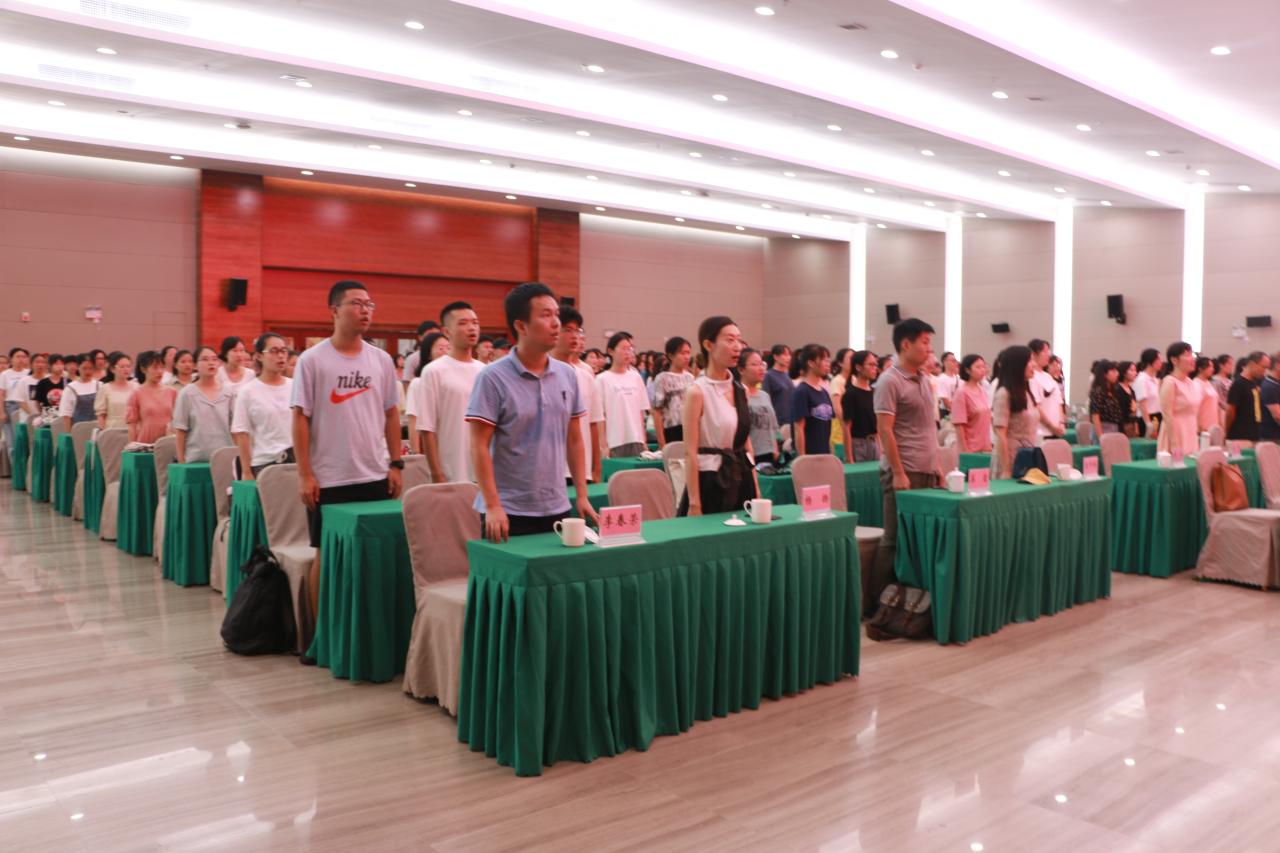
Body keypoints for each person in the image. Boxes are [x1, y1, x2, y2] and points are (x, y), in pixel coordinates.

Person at [293, 280, 403, 652]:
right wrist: (305, 473)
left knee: (374, 558)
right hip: (329, 478)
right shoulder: (313, 360)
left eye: (370, 303)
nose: (365, 310)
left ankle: (371, 636)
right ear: (334, 310)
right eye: (357, 303)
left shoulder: (381, 360)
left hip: (374, 473)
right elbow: (300, 418)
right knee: (325, 555)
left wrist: (396, 463)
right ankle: (320, 639)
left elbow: (392, 414)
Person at [466, 282, 596, 541]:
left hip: (557, 506)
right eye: (545, 315)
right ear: (521, 326)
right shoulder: (492, 377)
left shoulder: (567, 375)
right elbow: (479, 445)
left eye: (556, 314)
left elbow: (574, 439)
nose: (556, 323)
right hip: (508, 510)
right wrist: (493, 505)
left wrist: (581, 495)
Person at [870, 319, 940, 614]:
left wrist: (936, 467)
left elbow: (927, 428)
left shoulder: (923, 379)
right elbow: (885, 430)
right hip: (904, 471)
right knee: (893, 538)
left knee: (917, 539)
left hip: (927, 469)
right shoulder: (890, 380)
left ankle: (908, 603)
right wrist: (898, 472)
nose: (929, 348)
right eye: (924, 342)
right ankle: (876, 606)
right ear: (906, 344)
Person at [680, 316, 758, 515]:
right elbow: (690, 453)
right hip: (711, 481)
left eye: (739, 340)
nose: (737, 347)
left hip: (742, 477)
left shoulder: (740, 390)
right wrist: (694, 503)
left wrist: (756, 490)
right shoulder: (697, 392)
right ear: (708, 345)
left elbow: (747, 446)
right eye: (730, 340)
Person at [415, 301, 484, 484]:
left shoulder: (485, 371)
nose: (471, 328)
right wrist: (437, 473)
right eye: (463, 323)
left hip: (483, 471)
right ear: (446, 332)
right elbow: (427, 428)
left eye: (475, 323)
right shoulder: (434, 371)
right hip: (451, 471)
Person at [552, 305, 604, 482]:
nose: (574, 336)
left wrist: (596, 467)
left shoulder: (586, 376)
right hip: (551, 470)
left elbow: (593, 424)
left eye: (578, 331)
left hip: (582, 469)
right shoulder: (541, 374)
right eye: (567, 330)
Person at [231, 333, 294, 478]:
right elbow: (241, 433)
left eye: (284, 351)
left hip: (296, 462)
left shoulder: (295, 386)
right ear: (259, 356)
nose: (280, 356)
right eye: (274, 351)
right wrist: (246, 471)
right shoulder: (248, 392)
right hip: (265, 464)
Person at [171, 346, 235, 463]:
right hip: (195, 459)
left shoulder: (229, 392)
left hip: (225, 459)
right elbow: (180, 429)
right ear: (195, 365)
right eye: (205, 359)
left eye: (214, 359)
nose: (211, 363)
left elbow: (235, 428)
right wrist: (181, 460)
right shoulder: (187, 393)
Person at [595, 331, 650, 458]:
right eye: (623, 348)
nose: (628, 352)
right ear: (611, 351)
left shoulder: (636, 377)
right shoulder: (602, 379)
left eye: (630, 349)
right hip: (614, 442)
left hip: (636, 439)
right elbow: (600, 417)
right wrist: (603, 445)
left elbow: (640, 412)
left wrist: (644, 440)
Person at [992, 345, 1039, 480]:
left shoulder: (1026, 392)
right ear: (1018, 365)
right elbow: (1000, 434)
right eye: (1030, 361)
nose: (1034, 365)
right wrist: (1006, 469)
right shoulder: (1004, 393)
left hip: (1026, 456)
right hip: (1010, 459)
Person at [1155, 342, 1202, 457]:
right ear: (1174, 360)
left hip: (1190, 432)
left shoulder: (1190, 382)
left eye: (1192, 354)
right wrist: (1174, 444)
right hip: (1175, 434)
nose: (1192, 359)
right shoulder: (1170, 382)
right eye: (1187, 355)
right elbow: (1167, 415)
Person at [650, 336, 695, 448]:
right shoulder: (662, 378)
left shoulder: (690, 377)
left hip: (689, 428)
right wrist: (662, 442)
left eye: (688, 353)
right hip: (671, 430)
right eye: (682, 353)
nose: (687, 357)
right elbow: (656, 412)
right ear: (670, 356)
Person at [790, 344, 834, 456]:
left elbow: (828, 427)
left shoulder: (824, 392)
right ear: (811, 363)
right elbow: (799, 428)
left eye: (828, 360)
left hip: (824, 453)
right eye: (824, 360)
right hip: (810, 455)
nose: (828, 364)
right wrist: (803, 458)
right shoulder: (802, 392)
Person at [126, 350, 178, 444]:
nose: (160, 371)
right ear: (143, 369)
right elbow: (132, 426)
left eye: (162, 367)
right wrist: (132, 447)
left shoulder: (172, 392)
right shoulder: (136, 394)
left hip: (168, 441)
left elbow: (178, 420)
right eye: (155, 367)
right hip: (145, 442)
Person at [739, 348, 779, 465]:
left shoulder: (765, 395)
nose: (761, 368)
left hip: (770, 455)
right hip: (750, 456)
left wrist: (775, 449)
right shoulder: (737, 395)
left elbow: (772, 426)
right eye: (755, 364)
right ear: (741, 369)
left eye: (762, 364)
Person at [842, 350, 880, 461]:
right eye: (871, 364)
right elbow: (846, 427)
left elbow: (877, 426)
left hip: (873, 443)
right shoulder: (851, 394)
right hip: (858, 444)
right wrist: (849, 458)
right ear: (858, 367)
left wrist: (881, 449)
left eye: (876, 365)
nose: (875, 368)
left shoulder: (874, 392)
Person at [1225, 351, 1268, 447]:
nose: (1264, 371)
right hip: (1240, 436)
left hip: (1254, 434)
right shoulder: (1238, 384)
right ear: (1252, 364)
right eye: (1263, 367)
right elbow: (1230, 411)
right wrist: (1226, 431)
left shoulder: (1254, 382)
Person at [951, 354, 992, 453]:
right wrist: (965, 450)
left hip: (985, 448)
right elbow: (959, 425)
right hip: (970, 449)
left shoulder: (982, 390)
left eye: (983, 367)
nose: (982, 370)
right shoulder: (961, 392)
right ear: (967, 370)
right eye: (978, 367)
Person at [1027, 339, 1065, 441]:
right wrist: (1052, 427)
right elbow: (1036, 407)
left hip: (1057, 431)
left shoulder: (1049, 377)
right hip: (1041, 433)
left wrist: (1061, 423)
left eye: (1049, 351)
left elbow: (1059, 402)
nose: (1048, 354)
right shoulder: (1031, 378)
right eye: (1045, 351)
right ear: (1034, 354)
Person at [0, 347, 30, 455]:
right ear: (11, 359)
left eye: (23, 357)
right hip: (10, 406)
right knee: (12, 440)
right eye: (18, 356)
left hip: (26, 406)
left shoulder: (29, 373)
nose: (21, 359)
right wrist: (2, 412)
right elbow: (1, 394)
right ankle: (14, 464)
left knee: (25, 437)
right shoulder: (5, 374)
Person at [59, 353, 100, 431]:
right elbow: (66, 415)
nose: (88, 371)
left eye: (90, 368)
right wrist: (68, 434)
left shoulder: (100, 385)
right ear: (78, 367)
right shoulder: (70, 388)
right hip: (78, 430)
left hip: (97, 428)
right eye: (84, 368)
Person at [95, 352, 135, 430]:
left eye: (128, 366)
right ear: (112, 369)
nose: (126, 369)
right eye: (122, 367)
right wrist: (102, 432)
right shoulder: (105, 388)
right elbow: (101, 415)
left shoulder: (136, 387)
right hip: (112, 429)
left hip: (132, 427)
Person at [1088, 359, 1125, 439]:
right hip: (1102, 429)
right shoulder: (1098, 392)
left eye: (1117, 371)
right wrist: (1100, 436)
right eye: (1113, 371)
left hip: (1114, 428)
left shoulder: (1113, 390)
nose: (1117, 374)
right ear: (1104, 374)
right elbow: (1095, 416)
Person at [1134, 348, 1164, 440]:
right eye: (1158, 359)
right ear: (1150, 361)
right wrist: (1148, 424)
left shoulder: (1155, 380)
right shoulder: (1141, 380)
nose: (1161, 362)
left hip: (1157, 416)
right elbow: (1142, 404)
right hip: (1147, 418)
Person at [763, 345, 794, 430]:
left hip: (790, 419)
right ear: (775, 357)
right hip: (777, 421)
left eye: (789, 354)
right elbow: (766, 399)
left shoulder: (788, 374)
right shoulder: (769, 375)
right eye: (785, 354)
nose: (788, 358)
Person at [1194, 356, 1221, 433]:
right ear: (1200, 369)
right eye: (1209, 366)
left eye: (1212, 366)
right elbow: (1195, 407)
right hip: (1203, 426)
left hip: (1213, 426)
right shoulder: (1196, 383)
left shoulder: (1208, 383)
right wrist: (1199, 426)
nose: (1212, 369)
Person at [1116, 360, 1142, 438]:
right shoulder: (1117, 389)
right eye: (1132, 370)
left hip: (1132, 426)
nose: (1135, 373)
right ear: (1124, 372)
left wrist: (1136, 427)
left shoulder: (1131, 390)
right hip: (1121, 427)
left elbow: (1134, 410)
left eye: (1135, 370)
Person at [932, 351, 962, 418]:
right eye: (952, 361)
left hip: (958, 412)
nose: (955, 363)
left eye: (955, 361)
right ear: (944, 362)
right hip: (947, 413)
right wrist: (959, 412)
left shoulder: (959, 379)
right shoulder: (941, 379)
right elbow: (946, 402)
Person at [1260, 352, 1280, 444]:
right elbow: (1277, 416)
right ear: (1278, 365)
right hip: (1272, 438)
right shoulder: (1269, 386)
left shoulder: (1276, 384)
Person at [1212, 354, 1234, 421]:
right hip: (1219, 412)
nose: (1231, 367)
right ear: (1221, 365)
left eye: (1232, 364)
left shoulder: (1230, 381)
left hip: (1229, 412)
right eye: (1229, 364)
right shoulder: (1214, 380)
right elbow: (1218, 400)